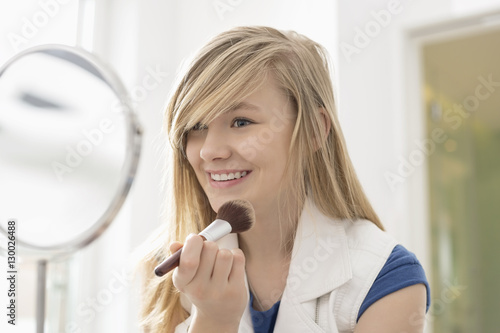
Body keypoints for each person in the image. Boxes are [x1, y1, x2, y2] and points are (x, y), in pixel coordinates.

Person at [138, 26, 430, 333]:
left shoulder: (387, 280)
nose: (210, 151)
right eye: (196, 126)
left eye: (241, 122)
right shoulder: (165, 270)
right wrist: (210, 319)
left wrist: (218, 322)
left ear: (314, 130)